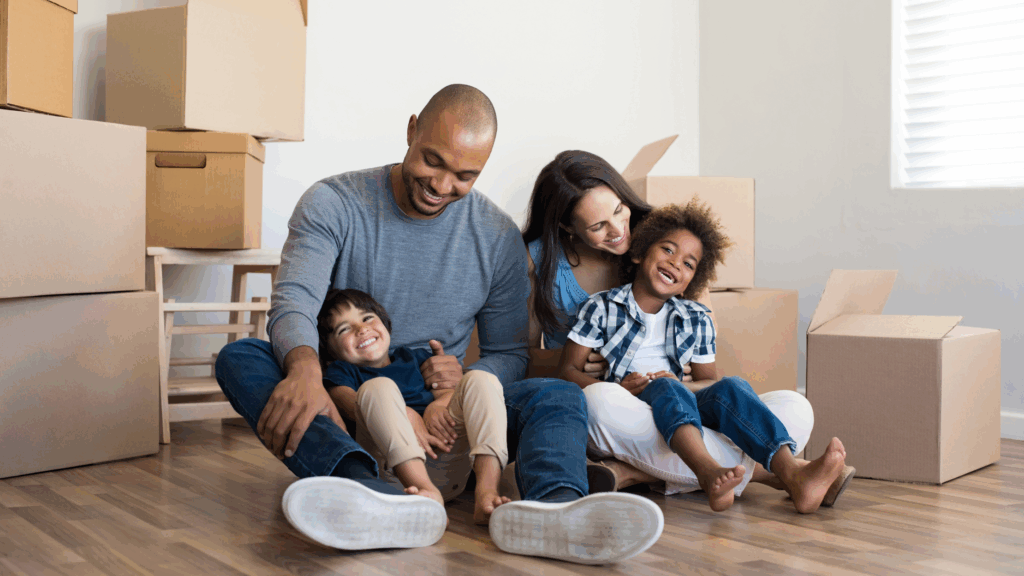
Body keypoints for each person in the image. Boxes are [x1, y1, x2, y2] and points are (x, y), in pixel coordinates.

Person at [215, 84, 663, 563]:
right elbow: (294, 302)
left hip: (449, 420)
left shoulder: (495, 237)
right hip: (348, 400)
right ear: (411, 131)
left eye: (464, 175)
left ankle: (555, 509)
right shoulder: (333, 202)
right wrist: (306, 371)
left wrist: (458, 387)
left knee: (557, 394)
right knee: (243, 358)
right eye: (433, 161)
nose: (442, 185)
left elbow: (509, 353)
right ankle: (361, 488)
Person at [523, 151, 854, 504]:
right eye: (597, 226)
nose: (620, 230)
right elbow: (535, 361)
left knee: (794, 406)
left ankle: (634, 472)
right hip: (619, 404)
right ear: (567, 228)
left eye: (619, 210)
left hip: (682, 402)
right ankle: (771, 475)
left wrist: (684, 384)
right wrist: (599, 373)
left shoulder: (670, 248)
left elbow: (708, 377)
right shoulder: (588, 297)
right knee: (602, 401)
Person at [316, 288, 510, 524]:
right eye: (344, 329)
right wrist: (405, 414)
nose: (362, 329)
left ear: (386, 325)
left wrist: (437, 405)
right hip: (396, 473)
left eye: (367, 318)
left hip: (448, 459)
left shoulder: (414, 357)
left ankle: (487, 492)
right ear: (330, 350)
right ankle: (426, 492)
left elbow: (449, 393)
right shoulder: (341, 372)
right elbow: (348, 405)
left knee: (481, 379)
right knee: (378, 387)